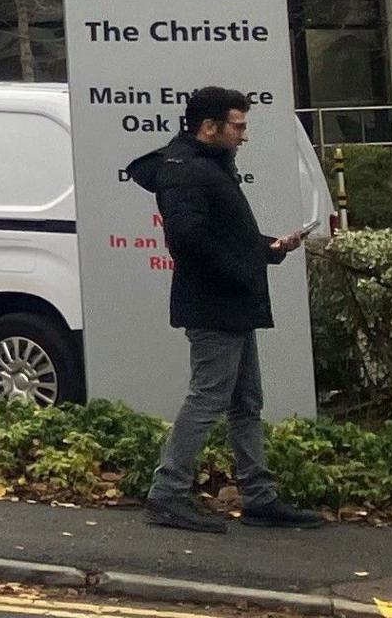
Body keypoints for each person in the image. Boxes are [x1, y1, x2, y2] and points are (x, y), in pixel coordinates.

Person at [126, 86, 323, 533]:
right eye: (238, 125)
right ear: (209, 127)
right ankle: (167, 492)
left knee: (245, 402)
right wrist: (241, 270)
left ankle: (259, 496)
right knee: (209, 397)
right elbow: (188, 239)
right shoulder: (187, 172)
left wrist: (268, 249)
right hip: (215, 304)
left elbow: (220, 236)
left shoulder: (207, 165)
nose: (244, 135)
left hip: (230, 301)